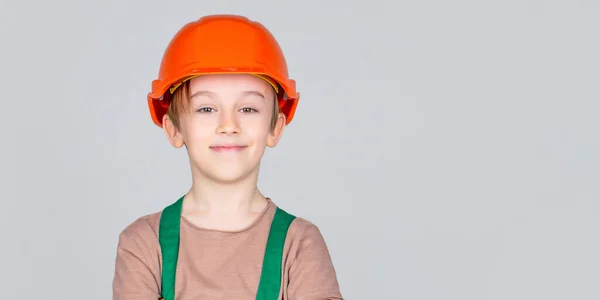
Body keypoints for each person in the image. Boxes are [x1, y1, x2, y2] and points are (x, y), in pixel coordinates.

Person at [112, 14, 344, 300]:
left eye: (248, 109)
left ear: (275, 127)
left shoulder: (299, 245)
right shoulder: (145, 245)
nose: (229, 125)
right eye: (206, 109)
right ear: (174, 129)